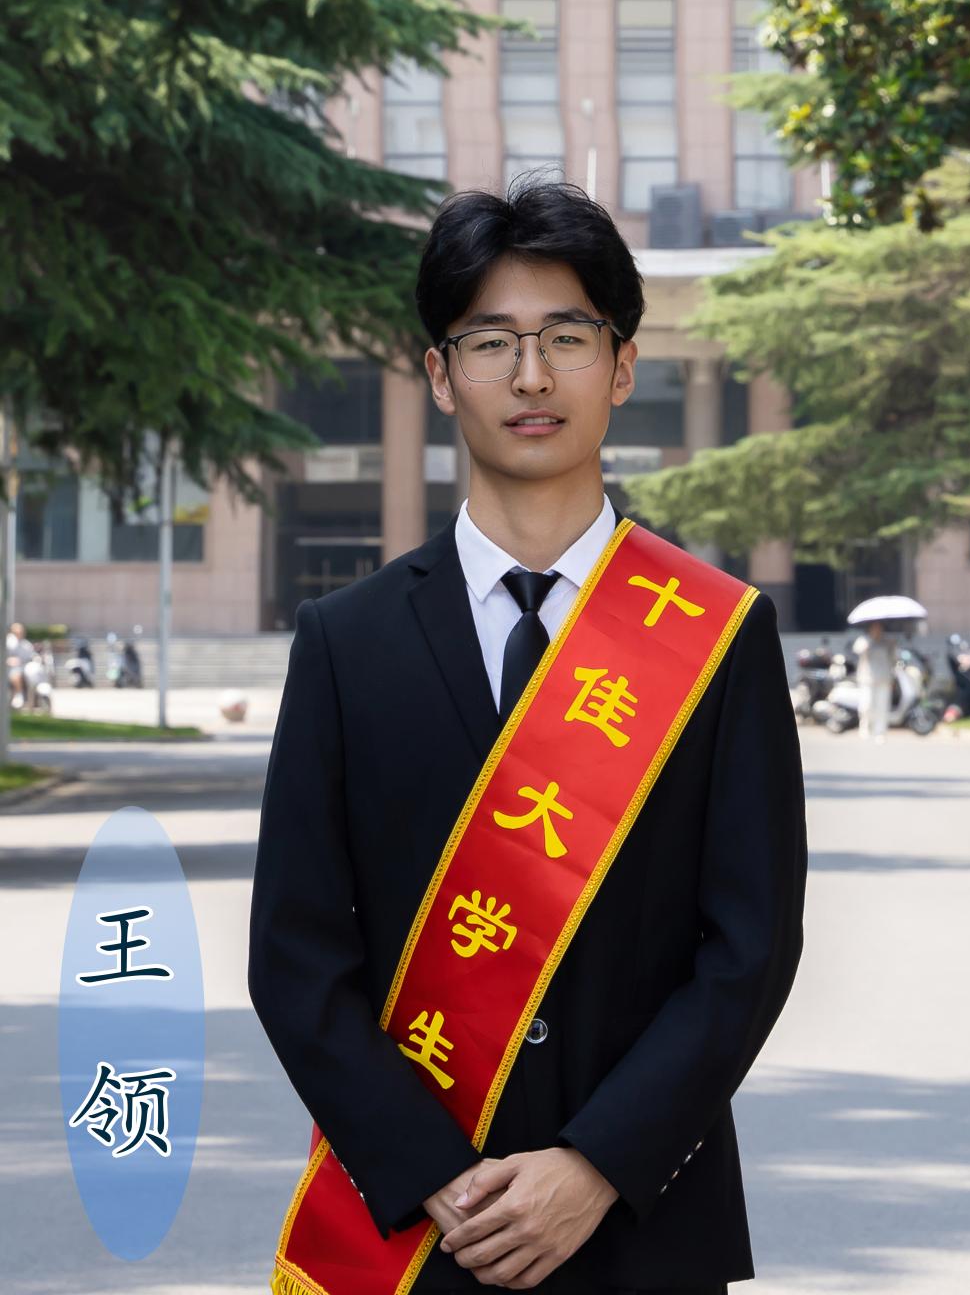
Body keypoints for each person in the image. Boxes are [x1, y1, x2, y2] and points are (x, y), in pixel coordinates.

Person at [248, 177, 808, 1295]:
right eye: (492, 341)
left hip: (646, 1228)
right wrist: (435, 1176)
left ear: (623, 366)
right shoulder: (346, 642)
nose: (532, 376)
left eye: (566, 337)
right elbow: (296, 956)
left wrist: (598, 1165)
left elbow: (749, 949)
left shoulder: (717, 633)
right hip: (421, 1237)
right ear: (439, 375)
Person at [852, 619, 896, 742]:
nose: (877, 630)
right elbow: (857, 650)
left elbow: (894, 659)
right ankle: (864, 728)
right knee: (866, 705)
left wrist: (893, 645)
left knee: (882, 707)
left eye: (879, 627)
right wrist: (871, 640)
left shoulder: (887, 642)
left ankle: (880, 732)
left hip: (884, 678)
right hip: (867, 678)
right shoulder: (864, 640)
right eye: (874, 627)